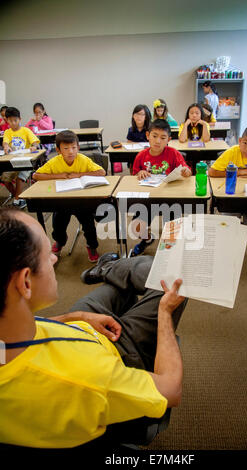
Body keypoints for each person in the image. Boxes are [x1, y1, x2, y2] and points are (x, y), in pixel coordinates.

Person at [0, 207, 186, 449]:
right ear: (26, 282)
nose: (55, 259)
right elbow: (171, 390)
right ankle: (112, 269)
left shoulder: (11, 331)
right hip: (116, 351)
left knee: (137, 274)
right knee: (171, 281)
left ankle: (109, 269)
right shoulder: (88, 379)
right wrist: (165, 313)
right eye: (48, 256)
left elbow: (29, 333)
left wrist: (76, 316)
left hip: (78, 325)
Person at [33, 130, 105, 262]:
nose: (70, 151)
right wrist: (60, 176)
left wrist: (78, 175)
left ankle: (91, 245)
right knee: (58, 224)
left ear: (78, 147)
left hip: (81, 201)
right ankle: (60, 240)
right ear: (58, 150)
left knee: (88, 225)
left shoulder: (83, 159)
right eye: (66, 148)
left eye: (73, 147)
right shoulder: (54, 162)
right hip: (62, 201)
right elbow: (36, 175)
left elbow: (102, 172)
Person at [131, 119, 191, 256]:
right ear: (147, 136)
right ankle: (147, 240)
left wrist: (186, 171)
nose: (158, 141)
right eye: (154, 136)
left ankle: (169, 252)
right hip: (148, 198)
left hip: (169, 197)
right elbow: (133, 176)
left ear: (168, 139)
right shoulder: (141, 156)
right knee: (136, 227)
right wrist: (140, 172)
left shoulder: (173, 154)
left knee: (171, 232)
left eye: (163, 138)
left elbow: (186, 169)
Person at [2, 106, 40, 209]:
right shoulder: (7, 132)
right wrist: (6, 147)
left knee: (20, 178)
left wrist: (34, 146)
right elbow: (5, 143)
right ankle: (18, 198)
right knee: (5, 180)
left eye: (15, 120)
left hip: (25, 162)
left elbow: (35, 142)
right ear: (7, 121)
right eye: (10, 121)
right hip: (13, 162)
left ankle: (18, 199)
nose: (13, 123)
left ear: (20, 119)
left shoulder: (26, 130)